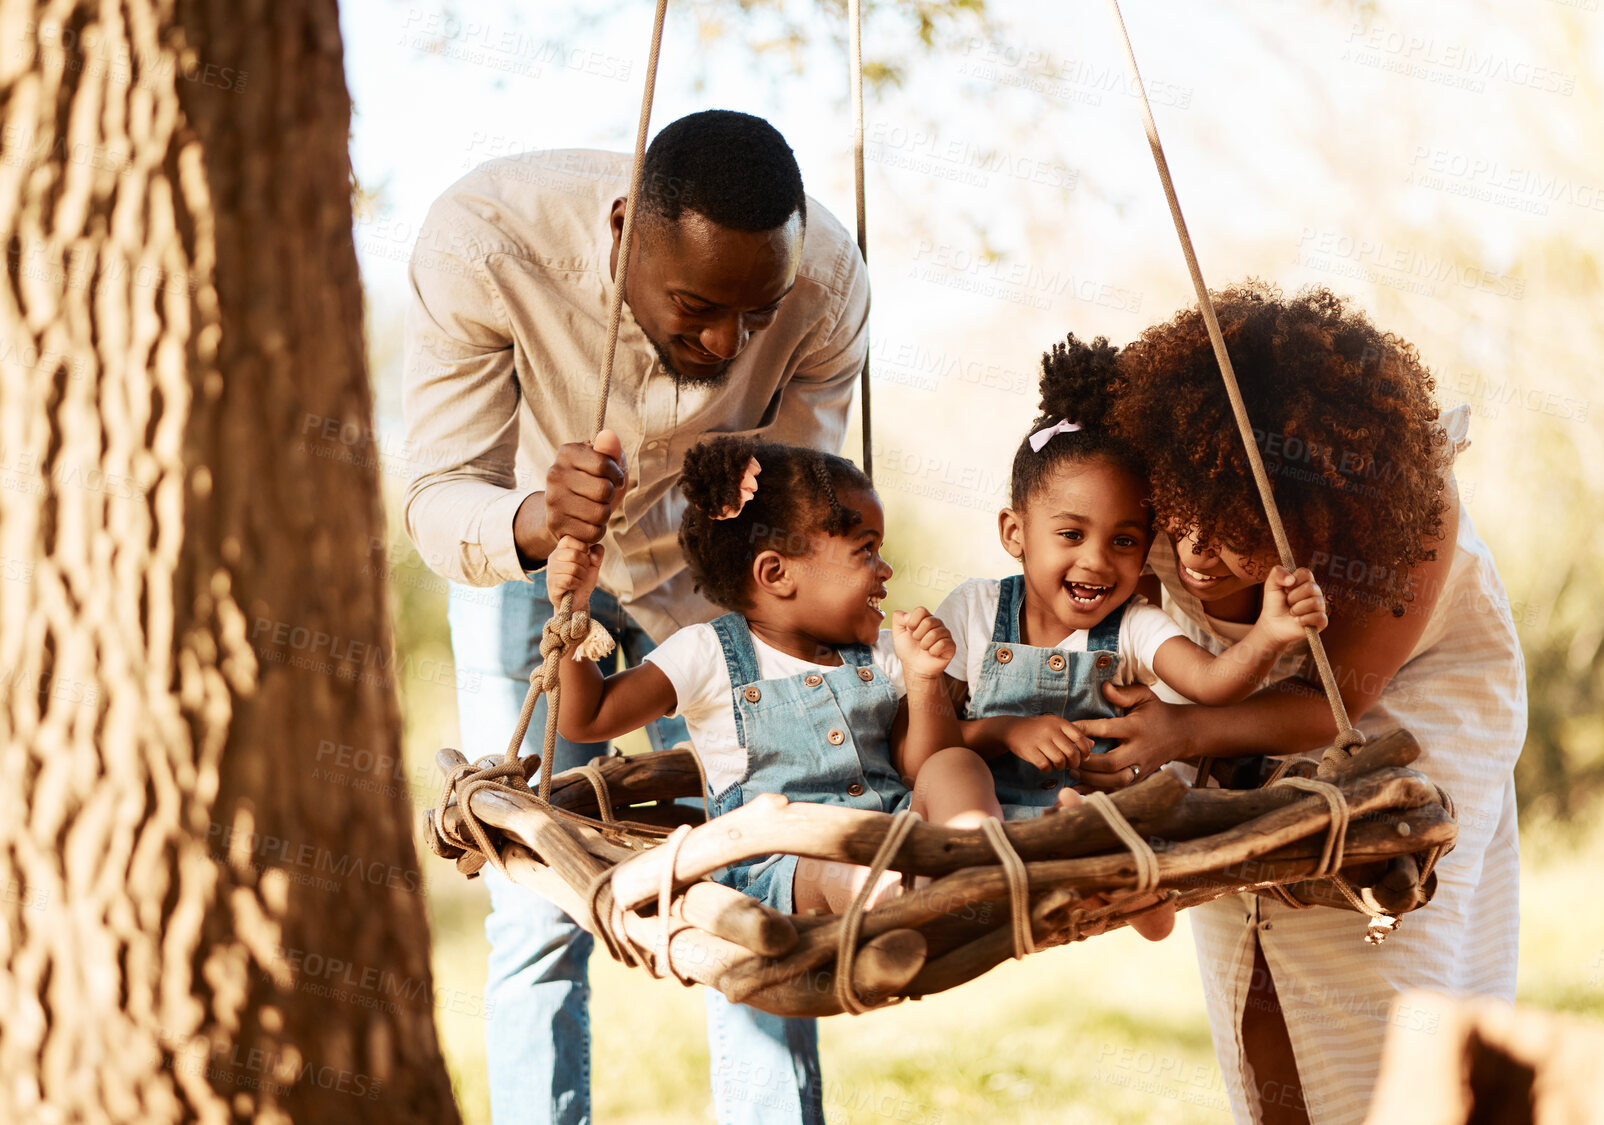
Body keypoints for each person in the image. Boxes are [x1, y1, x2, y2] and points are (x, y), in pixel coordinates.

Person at [402, 110, 868, 1125]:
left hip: (714, 564)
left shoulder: (831, 286)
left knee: (760, 864)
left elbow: (799, 506)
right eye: (697, 306)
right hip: (529, 560)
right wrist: (534, 518)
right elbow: (436, 496)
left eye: (756, 314)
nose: (726, 342)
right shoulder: (483, 237)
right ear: (622, 231)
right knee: (537, 887)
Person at [1072, 283, 1527, 1125]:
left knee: (1374, 954)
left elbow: (1337, 701)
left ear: (1321, 513)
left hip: (1402, 700)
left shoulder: (1404, 506)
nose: (1199, 559)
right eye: (1185, 525)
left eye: (1240, 531)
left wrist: (1188, 725)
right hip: (1225, 679)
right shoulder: (1166, 476)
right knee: (1246, 934)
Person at [546, 435, 989, 922]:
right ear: (777, 573)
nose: (886, 569)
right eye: (865, 550)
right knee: (830, 863)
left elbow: (918, 768)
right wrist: (574, 613)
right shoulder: (709, 653)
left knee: (957, 767)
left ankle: (980, 869)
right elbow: (586, 719)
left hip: (901, 841)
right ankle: (900, 897)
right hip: (784, 872)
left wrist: (925, 681)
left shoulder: (882, 656)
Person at [925, 334, 1327, 837]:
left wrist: (1268, 634)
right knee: (950, 767)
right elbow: (924, 749)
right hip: (984, 818)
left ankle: (1127, 875)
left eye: (1123, 540)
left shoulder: (1134, 625)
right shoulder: (975, 611)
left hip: (1084, 815)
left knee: (1123, 801)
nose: (1096, 561)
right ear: (1014, 532)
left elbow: (1211, 683)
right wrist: (1007, 730)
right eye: (1071, 534)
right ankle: (987, 853)